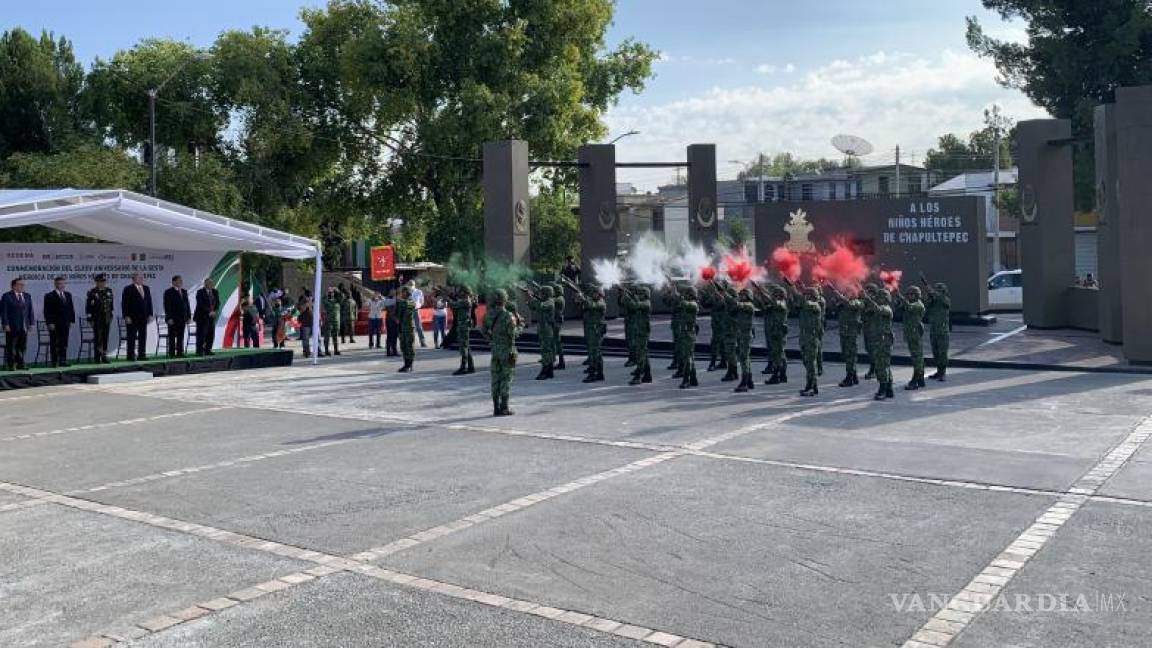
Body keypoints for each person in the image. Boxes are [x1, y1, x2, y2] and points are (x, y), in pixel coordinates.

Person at [481, 289, 523, 416]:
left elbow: (483, 330)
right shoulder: (508, 316)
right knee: (506, 378)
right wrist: (520, 325)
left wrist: (492, 340)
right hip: (507, 351)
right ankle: (504, 407)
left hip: (495, 351)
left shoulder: (488, 314)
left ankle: (495, 407)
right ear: (505, 299)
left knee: (495, 378)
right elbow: (513, 334)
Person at [785, 281, 823, 397]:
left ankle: (812, 386)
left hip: (811, 339)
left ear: (812, 296)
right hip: (804, 338)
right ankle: (811, 385)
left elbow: (801, 300)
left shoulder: (815, 305)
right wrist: (791, 295)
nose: (805, 296)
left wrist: (793, 288)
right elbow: (794, 306)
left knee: (811, 364)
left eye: (807, 294)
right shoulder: (805, 306)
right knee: (806, 363)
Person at [861, 288, 895, 400]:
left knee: (882, 366)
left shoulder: (887, 309)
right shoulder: (878, 308)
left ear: (885, 298)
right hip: (878, 340)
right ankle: (889, 389)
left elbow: (878, 309)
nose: (877, 299)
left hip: (884, 342)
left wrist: (868, 298)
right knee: (885, 365)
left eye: (879, 297)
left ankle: (883, 389)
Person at [826, 285, 863, 387]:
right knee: (846, 354)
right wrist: (835, 302)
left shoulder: (858, 302)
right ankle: (854, 375)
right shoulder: (843, 304)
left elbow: (851, 305)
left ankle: (849, 377)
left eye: (849, 293)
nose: (846, 294)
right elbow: (832, 310)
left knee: (850, 354)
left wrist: (838, 293)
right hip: (844, 333)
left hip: (851, 333)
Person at [893, 285, 927, 391]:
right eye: (907, 294)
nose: (908, 296)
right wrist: (898, 298)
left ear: (917, 295)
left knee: (917, 357)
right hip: (910, 334)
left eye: (911, 294)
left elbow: (910, 307)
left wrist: (900, 296)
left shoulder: (918, 305)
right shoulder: (910, 303)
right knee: (916, 356)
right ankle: (921, 379)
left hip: (915, 334)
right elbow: (899, 308)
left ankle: (915, 380)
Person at [572, 284, 606, 383]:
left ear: (599, 294)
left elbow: (591, 305)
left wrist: (584, 299)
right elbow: (582, 309)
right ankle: (599, 373)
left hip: (597, 330)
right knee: (594, 352)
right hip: (591, 329)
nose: (592, 294)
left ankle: (594, 373)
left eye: (594, 293)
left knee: (594, 352)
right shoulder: (592, 301)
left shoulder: (601, 302)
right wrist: (579, 301)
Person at [522, 284, 556, 380]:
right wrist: (528, 298)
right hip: (543, 328)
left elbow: (540, 306)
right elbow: (533, 307)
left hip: (547, 328)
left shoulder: (550, 301)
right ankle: (549, 371)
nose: (540, 294)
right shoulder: (544, 301)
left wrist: (532, 297)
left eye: (542, 293)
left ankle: (545, 371)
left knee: (546, 350)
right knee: (545, 349)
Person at [1, 277, 35, 370]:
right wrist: (5, 324)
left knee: (22, 346)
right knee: (11, 346)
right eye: (20, 284)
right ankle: (11, 365)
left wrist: (31, 323)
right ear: (13, 286)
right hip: (11, 325)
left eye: (23, 284)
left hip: (24, 325)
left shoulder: (27, 296)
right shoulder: (6, 296)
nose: (22, 286)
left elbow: (30, 310)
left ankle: (21, 364)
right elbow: (4, 312)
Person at [623, 285, 652, 385]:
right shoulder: (639, 301)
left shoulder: (646, 303)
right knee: (643, 353)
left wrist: (630, 298)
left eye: (640, 293)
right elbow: (629, 305)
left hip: (643, 332)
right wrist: (627, 297)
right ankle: (647, 375)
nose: (638, 295)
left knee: (640, 353)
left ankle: (638, 375)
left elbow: (635, 306)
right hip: (638, 331)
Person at [923, 279, 952, 381]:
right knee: (935, 352)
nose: (937, 292)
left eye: (939, 290)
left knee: (942, 352)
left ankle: (942, 372)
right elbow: (925, 305)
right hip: (934, 330)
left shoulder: (945, 299)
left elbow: (942, 299)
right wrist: (929, 296)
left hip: (943, 330)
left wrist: (932, 292)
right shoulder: (933, 301)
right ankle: (938, 371)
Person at [43, 276, 76, 367]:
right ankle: (54, 361)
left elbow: (71, 308)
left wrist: (71, 320)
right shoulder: (49, 296)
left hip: (65, 323)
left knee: (64, 343)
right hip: (54, 324)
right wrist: (50, 322)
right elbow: (47, 311)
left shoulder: (68, 294)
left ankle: (63, 360)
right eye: (59, 283)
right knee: (54, 343)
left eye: (62, 283)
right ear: (55, 284)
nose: (61, 285)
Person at [760, 283, 789, 385]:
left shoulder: (782, 303)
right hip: (773, 332)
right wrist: (761, 296)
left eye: (776, 295)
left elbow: (775, 303)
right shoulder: (774, 304)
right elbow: (765, 308)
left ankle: (776, 375)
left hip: (779, 332)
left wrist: (763, 293)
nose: (774, 296)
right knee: (778, 353)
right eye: (774, 295)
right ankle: (782, 374)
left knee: (778, 353)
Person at [121, 273, 153, 362]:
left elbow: (149, 302)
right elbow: (124, 303)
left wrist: (150, 314)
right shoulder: (128, 289)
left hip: (144, 317)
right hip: (132, 317)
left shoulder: (146, 288)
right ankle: (130, 355)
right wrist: (126, 316)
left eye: (142, 277)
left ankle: (142, 354)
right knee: (131, 337)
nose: (142, 279)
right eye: (140, 277)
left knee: (143, 336)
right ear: (134, 279)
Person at [730, 287, 756, 393]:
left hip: (746, 335)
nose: (741, 297)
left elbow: (737, 305)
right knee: (744, 357)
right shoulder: (741, 306)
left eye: (743, 295)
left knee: (744, 358)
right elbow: (733, 311)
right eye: (740, 295)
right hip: (741, 335)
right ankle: (749, 380)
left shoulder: (749, 305)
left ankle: (744, 382)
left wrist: (730, 297)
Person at [86, 274, 114, 364]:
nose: (102, 283)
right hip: (97, 319)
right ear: (96, 282)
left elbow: (110, 305)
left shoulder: (109, 291)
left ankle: (104, 356)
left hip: (107, 318)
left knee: (105, 338)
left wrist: (111, 315)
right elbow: (88, 307)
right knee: (98, 338)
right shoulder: (92, 292)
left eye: (103, 282)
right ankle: (97, 357)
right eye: (100, 282)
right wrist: (90, 319)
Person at [700, 282, 728, 373]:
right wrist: (704, 294)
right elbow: (706, 304)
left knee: (716, 343)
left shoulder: (725, 299)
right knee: (721, 344)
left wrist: (716, 293)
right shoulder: (715, 298)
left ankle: (713, 363)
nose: (717, 291)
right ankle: (723, 362)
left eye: (720, 290)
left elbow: (721, 304)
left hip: (723, 325)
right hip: (716, 325)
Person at [677, 285, 700, 389]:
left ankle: (686, 380)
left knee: (688, 357)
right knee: (689, 355)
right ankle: (693, 378)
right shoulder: (687, 304)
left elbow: (683, 303)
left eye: (686, 293)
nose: (685, 295)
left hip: (689, 334)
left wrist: (679, 296)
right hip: (685, 333)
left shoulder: (693, 304)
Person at [162, 275, 191, 358]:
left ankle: (179, 353)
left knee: (180, 336)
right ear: (173, 282)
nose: (181, 282)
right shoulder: (168, 292)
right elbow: (167, 306)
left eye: (181, 280)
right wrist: (169, 318)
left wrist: (188, 317)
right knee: (172, 336)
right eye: (179, 280)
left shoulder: (184, 291)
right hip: (173, 319)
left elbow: (187, 305)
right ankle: (172, 353)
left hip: (183, 318)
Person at [450, 286, 476, 375]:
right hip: (463, 324)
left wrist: (447, 299)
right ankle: (471, 366)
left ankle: (463, 367)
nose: (459, 293)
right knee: (466, 346)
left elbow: (454, 305)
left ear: (464, 292)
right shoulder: (465, 300)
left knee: (463, 347)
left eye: (461, 291)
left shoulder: (466, 301)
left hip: (463, 325)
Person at [194, 278, 221, 356]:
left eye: (212, 283)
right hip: (202, 317)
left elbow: (218, 303)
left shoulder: (215, 292)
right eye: (209, 283)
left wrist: (215, 311)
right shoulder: (200, 292)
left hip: (211, 317)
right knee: (201, 335)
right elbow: (201, 304)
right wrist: (209, 311)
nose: (211, 285)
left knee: (210, 334)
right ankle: (199, 351)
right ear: (205, 284)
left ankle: (208, 350)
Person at [395, 285, 416, 372]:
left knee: (409, 346)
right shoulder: (401, 302)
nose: (401, 294)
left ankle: (410, 365)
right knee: (403, 346)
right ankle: (405, 364)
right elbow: (397, 314)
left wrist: (399, 301)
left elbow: (407, 304)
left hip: (409, 328)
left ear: (407, 293)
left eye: (403, 292)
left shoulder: (411, 301)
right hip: (401, 327)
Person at [407, 279, 427, 348]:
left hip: (416, 310)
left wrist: (418, 306)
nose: (411, 286)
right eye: (409, 284)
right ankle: (411, 343)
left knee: (419, 327)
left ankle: (423, 342)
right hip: (409, 311)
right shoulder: (406, 292)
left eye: (412, 284)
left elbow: (422, 301)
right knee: (410, 327)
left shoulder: (419, 292)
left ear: (414, 285)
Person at [322, 287, 341, 357]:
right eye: (330, 293)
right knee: (327, 337)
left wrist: (337, 290)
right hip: (328, 321)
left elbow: (341, 297)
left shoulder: (337, 301)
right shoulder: (327, 301)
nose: (331, 294)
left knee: (335, 336)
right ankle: (327, 350)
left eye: (333, 292)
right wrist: (327, 293)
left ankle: (336, 350)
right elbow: (323, 299)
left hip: (336, 321)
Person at [551, 283, 567, 370]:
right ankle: (557, 360)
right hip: (556, 320)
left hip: (557, 321)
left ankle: (561, 362)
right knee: (555, 341)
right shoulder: (558, 298)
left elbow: (551, 301)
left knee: (557, 341)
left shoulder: (559, 299)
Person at [384, 289, 400, 356]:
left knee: (393, 335)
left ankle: (392, 350)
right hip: (391, 320)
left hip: (391, 319)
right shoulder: (388, 299)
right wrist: (396, 319)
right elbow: (391, 311)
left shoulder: (393, 298)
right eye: (393, 291)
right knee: (392, 335)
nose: (394, 292)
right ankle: (391, 351)